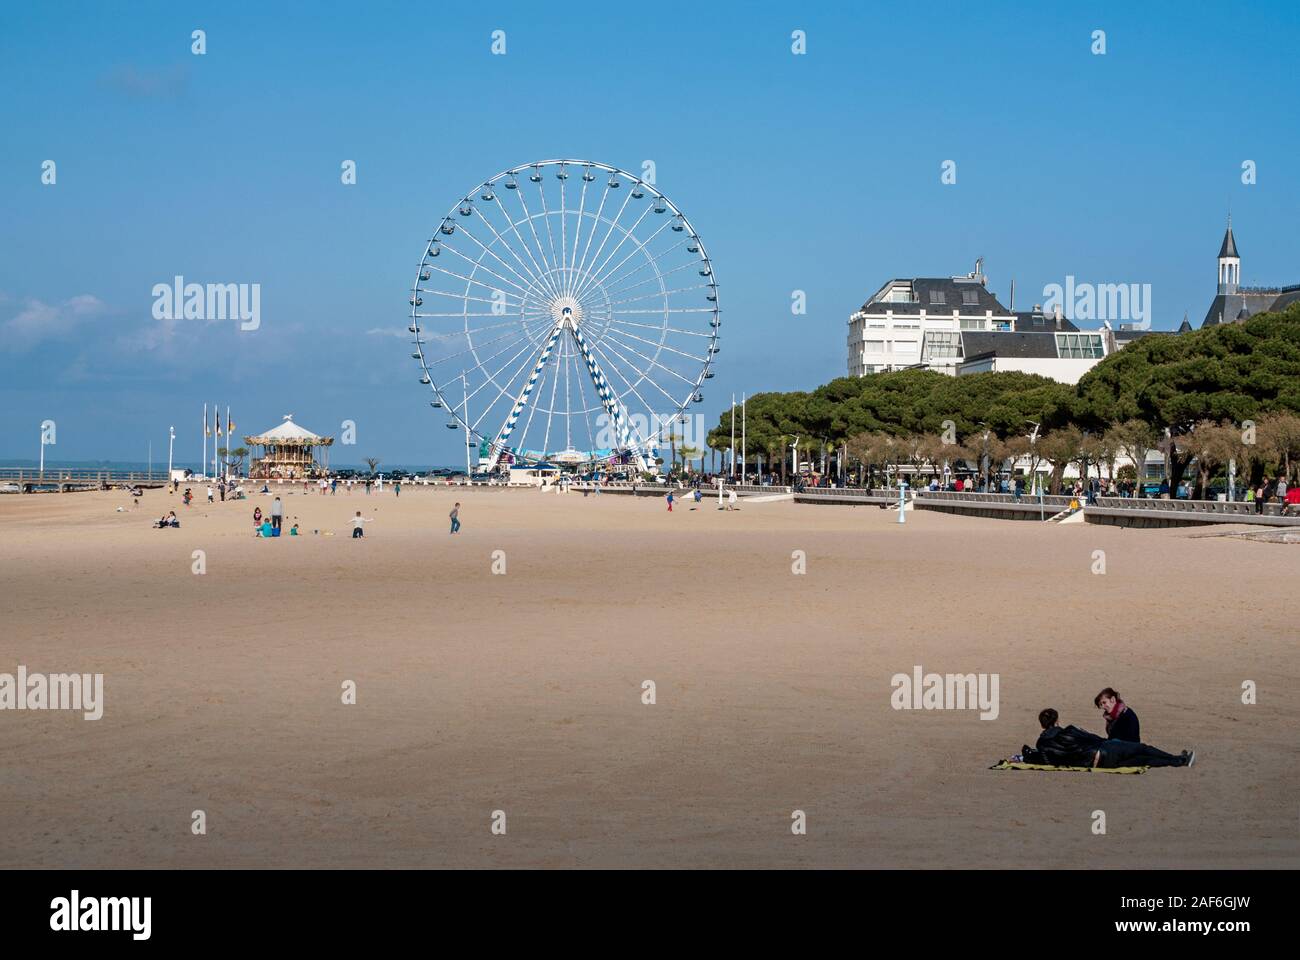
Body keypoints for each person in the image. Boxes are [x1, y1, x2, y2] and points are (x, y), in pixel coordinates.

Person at [1035, 708, 1192, 769]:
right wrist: (1108, 741)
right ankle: (1179, 759)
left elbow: (1048, 763)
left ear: (1042, 725)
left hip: (1099, 764)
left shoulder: (1041, 744)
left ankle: (1178, 761)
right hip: (1104, 751)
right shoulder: (1068, 731)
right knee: (1143, 749)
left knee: (1144, 759)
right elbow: (1091, 738)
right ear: (1056, 721)